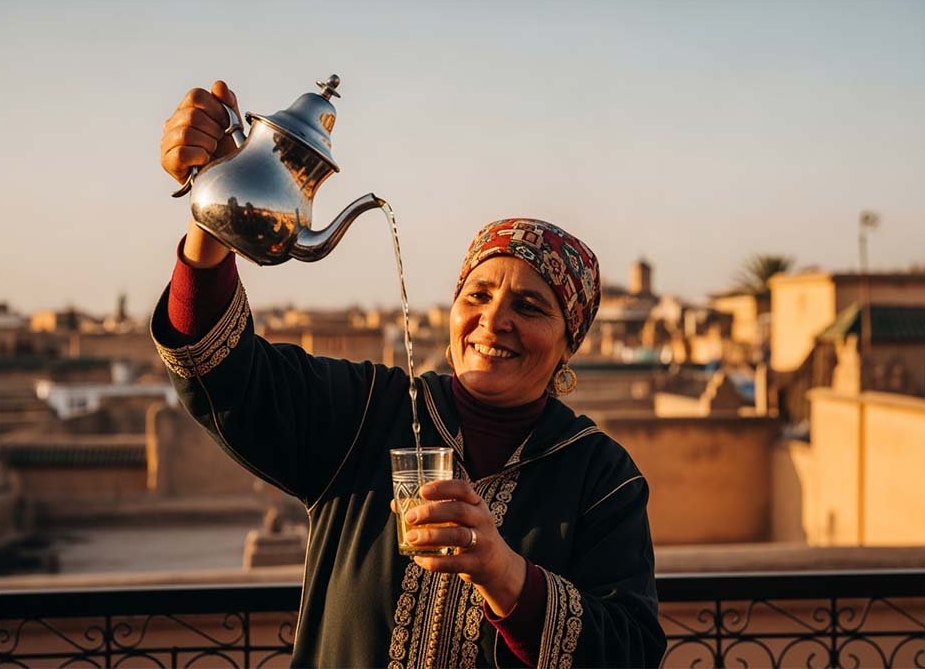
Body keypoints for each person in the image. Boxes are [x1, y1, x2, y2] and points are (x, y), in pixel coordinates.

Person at [153, 80, 667, 668]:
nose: (492, 320)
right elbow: (220, 369)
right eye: (477, 294)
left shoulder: (599, 475)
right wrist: (215, 206)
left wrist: (505, 575)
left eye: (529, 307)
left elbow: (630, 652)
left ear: (567, 346)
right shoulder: (368, 412)